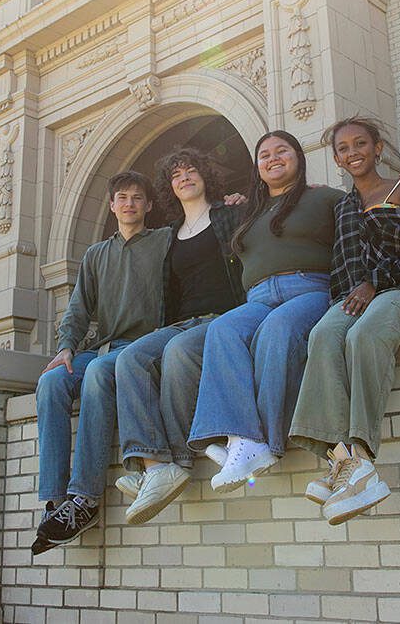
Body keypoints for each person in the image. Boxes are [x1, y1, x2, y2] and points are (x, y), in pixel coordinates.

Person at [289, 116, 400, 525]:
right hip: (354, 298)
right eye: (343, 148)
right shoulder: (341, 206)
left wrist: (375, 283)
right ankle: (338, 458)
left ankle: (360, 458)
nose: (353, 152)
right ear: (337, 159)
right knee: (324, 335)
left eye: (361, 143)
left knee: (364, 334)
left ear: (377, 148)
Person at [183, 129, 345, 490]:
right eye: (264, 155)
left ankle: (265, 442)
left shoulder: (326, 198)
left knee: (279, 328)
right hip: (258, 297)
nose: (273, 158)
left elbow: (364, 214)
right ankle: (240, 438)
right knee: (222, 330)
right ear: (257, 168)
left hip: (309, 288)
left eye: (281, 151)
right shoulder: (249, 211)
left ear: (298, 158)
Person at [32, 171, 169, 555]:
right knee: (52, 383)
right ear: (112, 205)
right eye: (122, 197)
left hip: (143, 348)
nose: (129, 203)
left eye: (137, 198)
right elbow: (77, 310)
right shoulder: (96, 254)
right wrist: (65, 348)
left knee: (95, 373)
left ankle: (86, 498)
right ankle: (56, 501)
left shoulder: (164, 241)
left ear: (148, 205)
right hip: (104, 348)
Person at [113, 148, 247, 523]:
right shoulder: (169, 235)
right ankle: (153, 464)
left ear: (205, 175)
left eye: (191, 170)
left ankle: (178, 459)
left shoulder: (228, 213)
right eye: (176, 175)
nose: (184, 177)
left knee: (178, 352)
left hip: (222, 317)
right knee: (130, 358)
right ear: (169, 188)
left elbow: (270, 210)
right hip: (180, 322)